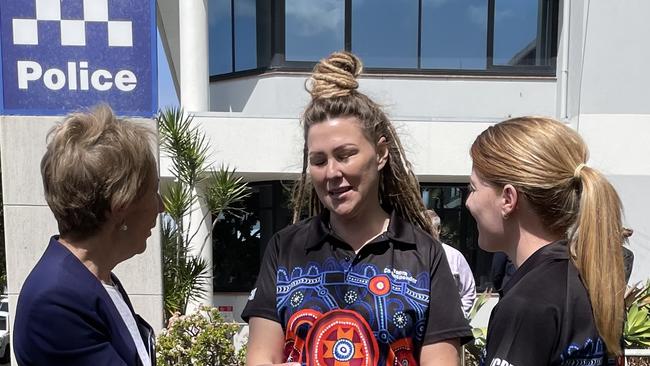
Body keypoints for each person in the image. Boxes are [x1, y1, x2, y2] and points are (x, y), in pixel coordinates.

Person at [242, 52, 472, 366]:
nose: (332, 172)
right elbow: (259, 358)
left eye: (345, 154)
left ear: (380, 154)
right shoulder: (285, 248)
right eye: (319, 160)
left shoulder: (424, 254)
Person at [466, 116, 625, 365]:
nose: (468, 202)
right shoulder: (591, 282)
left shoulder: (527, 303)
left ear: (508, 199)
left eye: (473, 189)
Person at [13, 105, 163, 365]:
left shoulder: (97, 281)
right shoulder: (57, 302)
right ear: (121, 207)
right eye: (153, 191)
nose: (161, 206)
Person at [425, 209, 476, 316]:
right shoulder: (412, 257)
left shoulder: (454, 256)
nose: (425, 234)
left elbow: (468, 291)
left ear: (438, 229)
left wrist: (457, 316)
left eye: (429, 229)